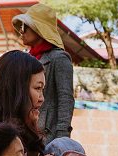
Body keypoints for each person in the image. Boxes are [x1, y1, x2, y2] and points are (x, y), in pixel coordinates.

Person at [13, 3, 74, 144]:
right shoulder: (25, 58)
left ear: (38, 29)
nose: (21, 31)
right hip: (22, 131)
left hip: (47, 136)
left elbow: (66, 99)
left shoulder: (59, 58)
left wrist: (62, 138)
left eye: (25, 27)